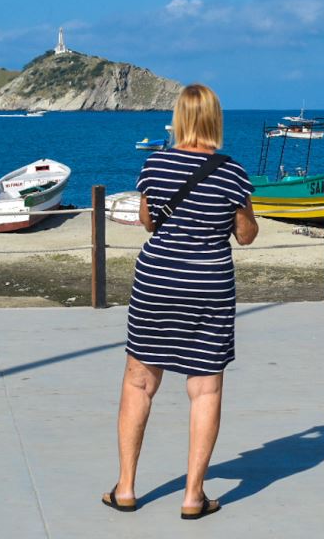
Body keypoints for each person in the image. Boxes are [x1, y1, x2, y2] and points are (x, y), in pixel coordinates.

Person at [103, 83, 258, 520]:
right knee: (204, 387)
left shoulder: (154, 164)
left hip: (156, 280)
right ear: (215, 120)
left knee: (139, 380)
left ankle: (127, 487)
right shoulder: (233, 173)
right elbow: (245, 235)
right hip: (208, 283)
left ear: (181, 120)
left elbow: (147, 220)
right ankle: (193, 496)